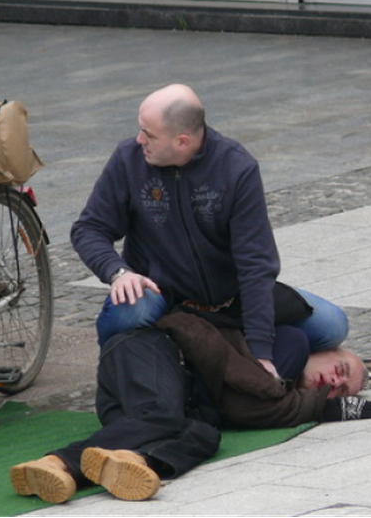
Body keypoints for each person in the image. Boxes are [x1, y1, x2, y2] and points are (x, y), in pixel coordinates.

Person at [71, 83, 350, 377]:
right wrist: (118, 272)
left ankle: (238, 356)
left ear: (182, 141)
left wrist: (261, 355)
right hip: (164, 295)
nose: (139, 140)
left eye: (149, 134)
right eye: (141, 130)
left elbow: (255, 265)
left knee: (333, 325)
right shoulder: (128, 159)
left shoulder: (236, 168)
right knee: (132, 307)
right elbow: (88, 228)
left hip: (230, 299)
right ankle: (121, 375)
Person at [9, 310, 371, 504]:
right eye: (341, 371)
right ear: (324, 350)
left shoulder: (285, 386)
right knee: (164, 415)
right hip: (150, 351)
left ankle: (130, 460)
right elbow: (246, 406)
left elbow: (248, 410)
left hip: (156, 400)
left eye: (340, 391)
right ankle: (57, 463)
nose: (334, 384)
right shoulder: (283, 344)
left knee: (204, 433)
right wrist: (328, 407)